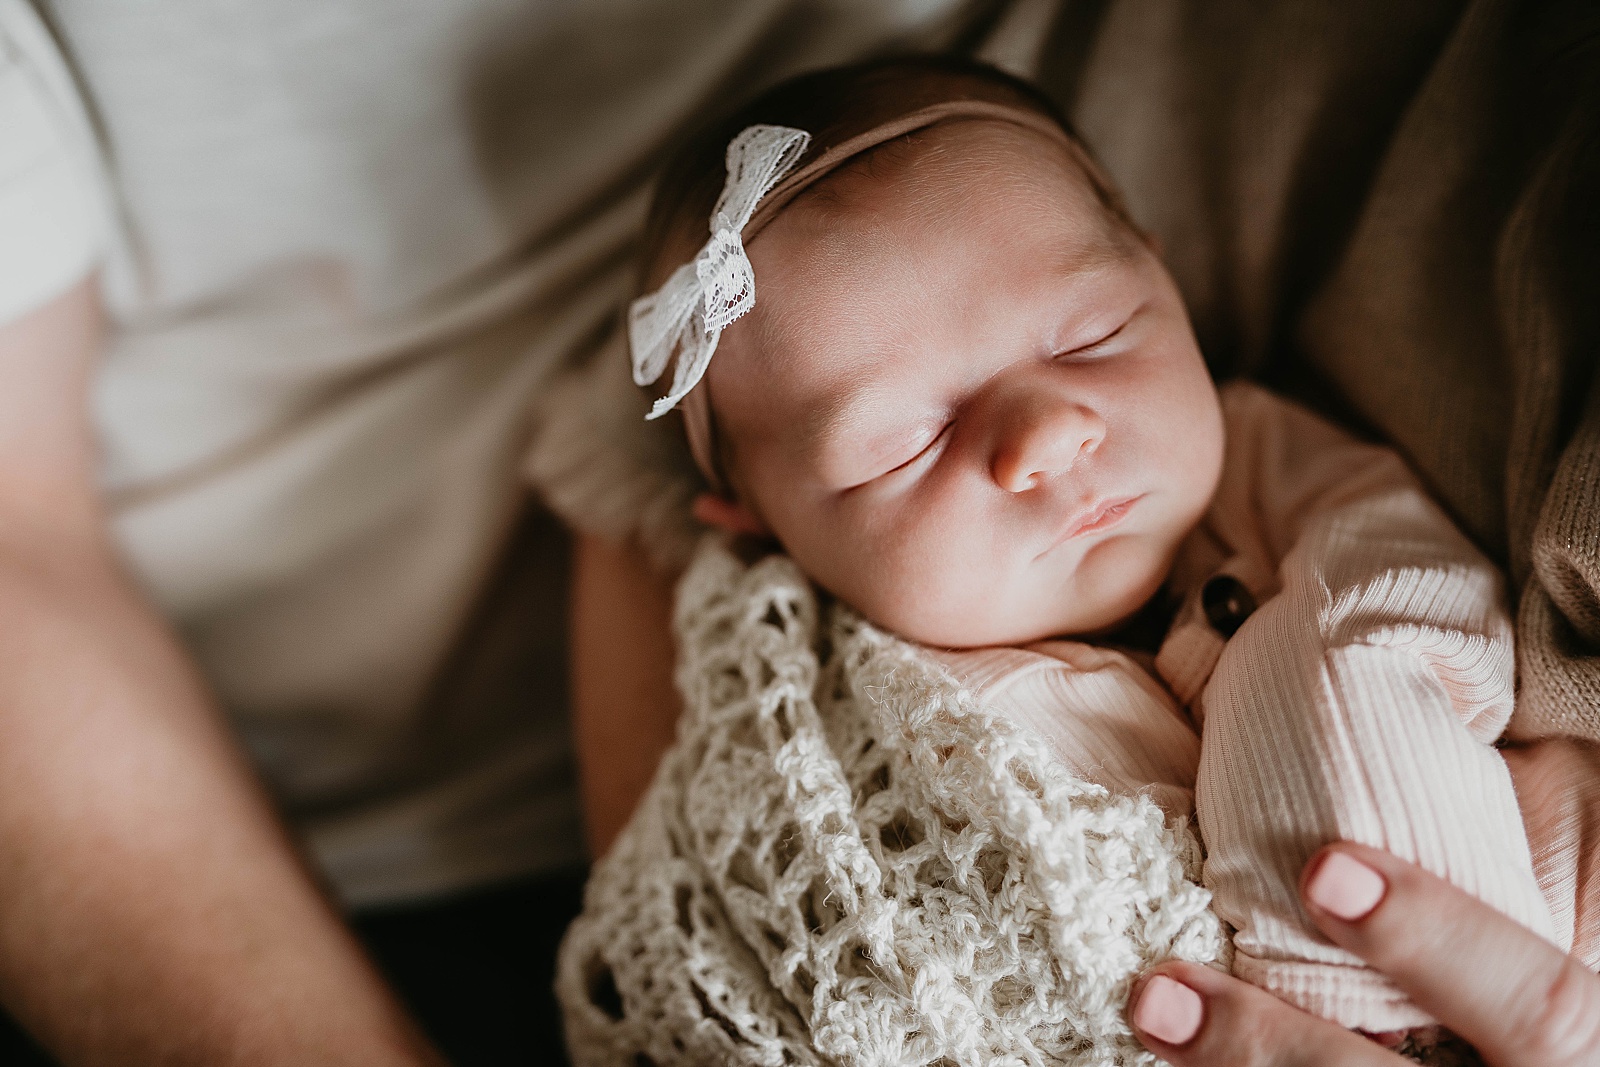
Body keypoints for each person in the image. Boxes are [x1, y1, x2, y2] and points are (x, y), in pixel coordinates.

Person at [620, 55, 1600, 1042]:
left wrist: (1292, 680)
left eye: (1096, 332)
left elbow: (1397, 599)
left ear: (1161, 274)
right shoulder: (819, 718)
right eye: (902, 441)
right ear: (758, 524)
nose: (1047, 436)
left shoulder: (1273, 474)